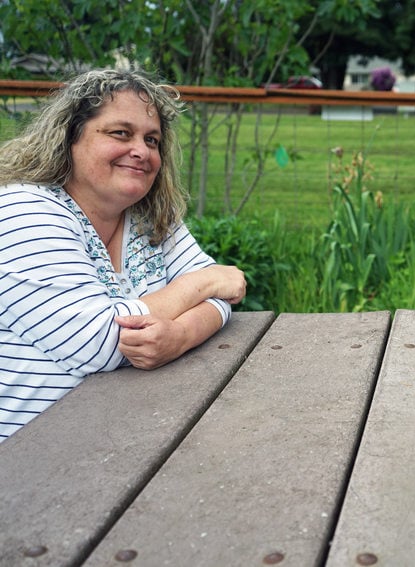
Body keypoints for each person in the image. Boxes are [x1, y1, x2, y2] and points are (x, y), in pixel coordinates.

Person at [0, 69, 247, 442]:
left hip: (129, 438)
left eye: (152, 140)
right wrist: (203, 281)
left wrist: (180, 334)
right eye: (120, 133)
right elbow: (95, 341)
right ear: (69, 138)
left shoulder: (148, 218)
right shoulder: (23, 210)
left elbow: (226, 296)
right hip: (33, 457)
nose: (142, 151)